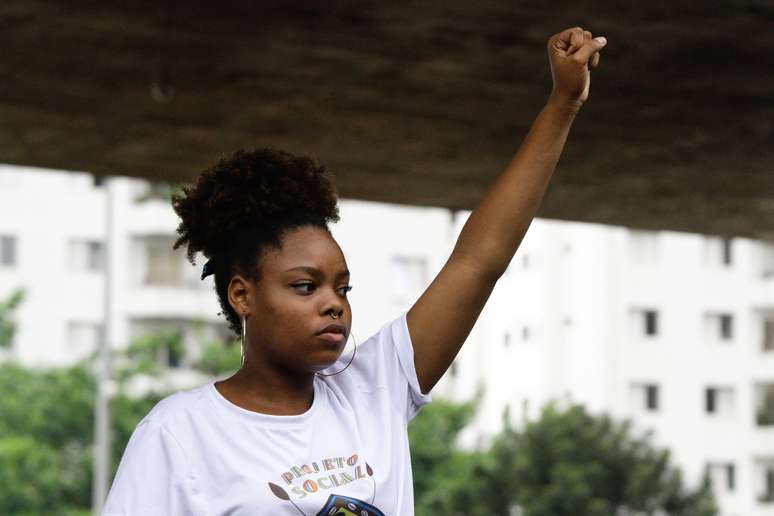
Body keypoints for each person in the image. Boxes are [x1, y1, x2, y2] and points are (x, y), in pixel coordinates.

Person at [102, 26, 607, 515]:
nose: (333, 303)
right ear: (242, 295)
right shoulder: (181, 433)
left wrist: (563, 104)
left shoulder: (372, 389)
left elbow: (478, 261)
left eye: (342, 287)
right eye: (305, 286)